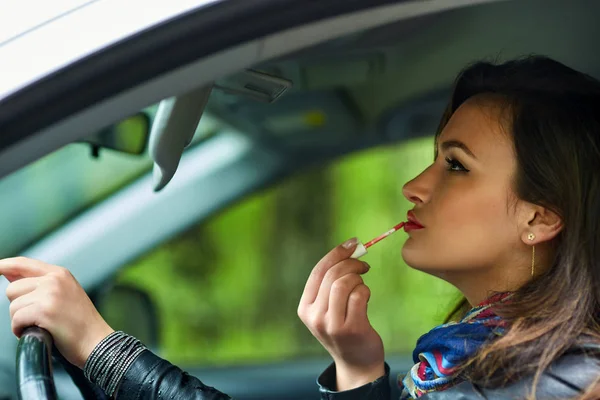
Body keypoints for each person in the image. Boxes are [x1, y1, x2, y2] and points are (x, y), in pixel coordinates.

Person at [2, 55, 600, 399]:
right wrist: (359, 368)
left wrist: (102, 349)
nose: (414, 185)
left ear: (539, 217)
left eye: (455, 165)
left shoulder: (553, 382)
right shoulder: (489, 359)